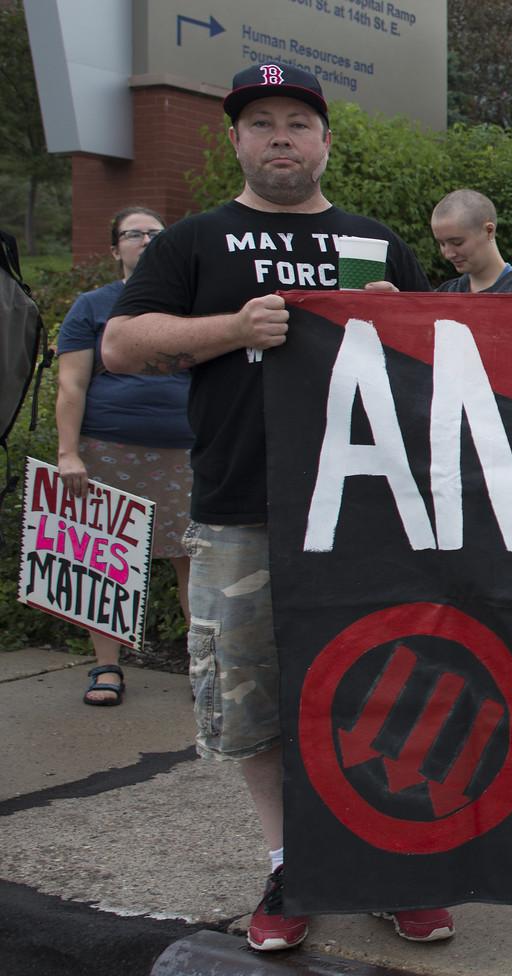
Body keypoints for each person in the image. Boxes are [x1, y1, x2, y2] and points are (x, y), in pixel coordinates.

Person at [101, 61, 444, 953]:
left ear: (325, 140)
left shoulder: (373, 242)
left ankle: (394, 865)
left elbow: (450, 375)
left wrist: (406, 326)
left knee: (382, 691)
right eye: (262, 124)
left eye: (297, 122)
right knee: (253, 704)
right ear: (236, 142)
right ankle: (297, 866)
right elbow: (122, 344)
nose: (280, 137)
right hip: (240, 506)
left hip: (368, 513)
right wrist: (231, 329)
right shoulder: (195, 244)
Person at [54, 206, 194, 707]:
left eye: (156, 233)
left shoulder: (192, 305)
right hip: (105, 449)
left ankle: (204, 669)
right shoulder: (92, 306)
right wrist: (68, 453)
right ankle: (106, 668)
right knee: (104, 561)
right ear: (115, 249)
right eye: (133, 234)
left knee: (192, 561)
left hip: (185, 451)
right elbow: (70, 383)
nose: (146, 240)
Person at [430, 189, 512, 294]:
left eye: (457, 243)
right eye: (442, 244)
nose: (449, 254)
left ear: (489, 231)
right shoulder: (445, 294)